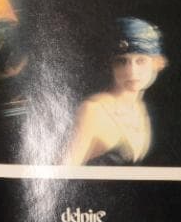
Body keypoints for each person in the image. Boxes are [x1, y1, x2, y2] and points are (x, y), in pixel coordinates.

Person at [62, 17, 167, 166]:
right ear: (111, 65)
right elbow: (62, 172)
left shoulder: (142, 109)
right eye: (122, 61)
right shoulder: (93, 111)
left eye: (141, 61)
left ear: (157, 63)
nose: (131, 71)